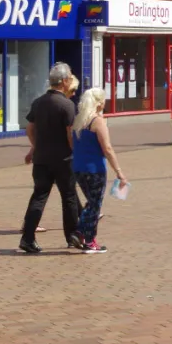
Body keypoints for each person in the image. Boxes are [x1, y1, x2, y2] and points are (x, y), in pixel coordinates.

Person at [19, 63, 82, 254]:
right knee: (69, 197)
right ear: (64, 81)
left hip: (42, 159)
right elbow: (70, 133)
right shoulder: (66, 104)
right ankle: (72, 235)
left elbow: (30, 128)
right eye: (69, 77)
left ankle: (27, 238)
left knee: (39, 196)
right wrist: (75, 152)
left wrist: (36, 146)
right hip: (63, 159)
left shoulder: (39, 102)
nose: (71, 80)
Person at [69, 88, 127, 253]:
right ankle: (88, 239)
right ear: (99, 102)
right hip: (94, 169)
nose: (105, 103)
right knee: (95, 205)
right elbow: (107, 148)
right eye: (103, 100)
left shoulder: (78, 121)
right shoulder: (97, 121)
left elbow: (73, 144)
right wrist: (119, 171)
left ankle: (80, 233)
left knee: (91, 203)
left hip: (79, 167)